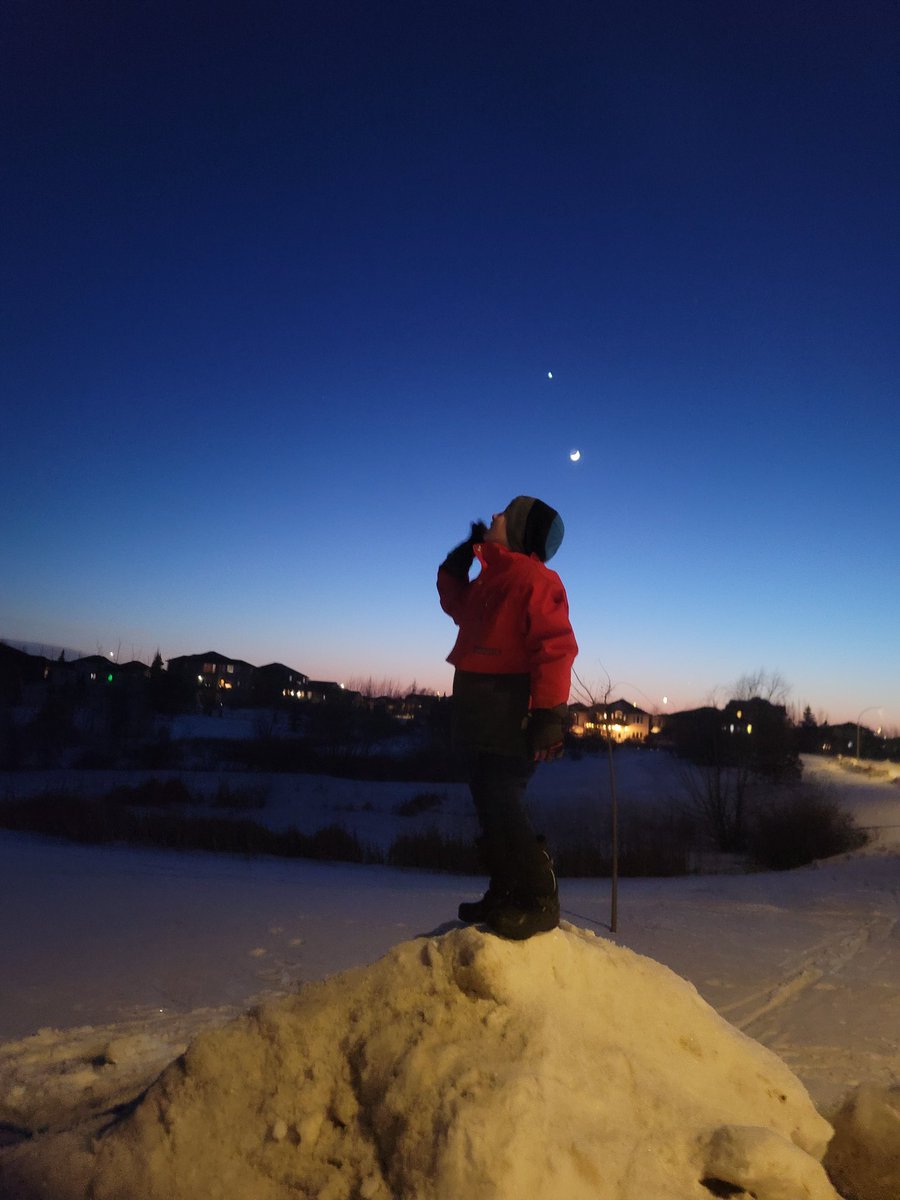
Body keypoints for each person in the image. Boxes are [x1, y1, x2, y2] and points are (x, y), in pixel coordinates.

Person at [437, 495, 578, 940]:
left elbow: (555, 646)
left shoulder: (535, 579)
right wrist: (459, 559)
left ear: (519, 532)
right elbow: (454, 602)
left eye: (505, 514)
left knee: (503, 801)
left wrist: (549, 714)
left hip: (512, 711)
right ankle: (504, 889)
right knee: (488, 806)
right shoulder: (490, 580)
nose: (494, 515)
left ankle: (540, 895)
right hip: (477, 710)